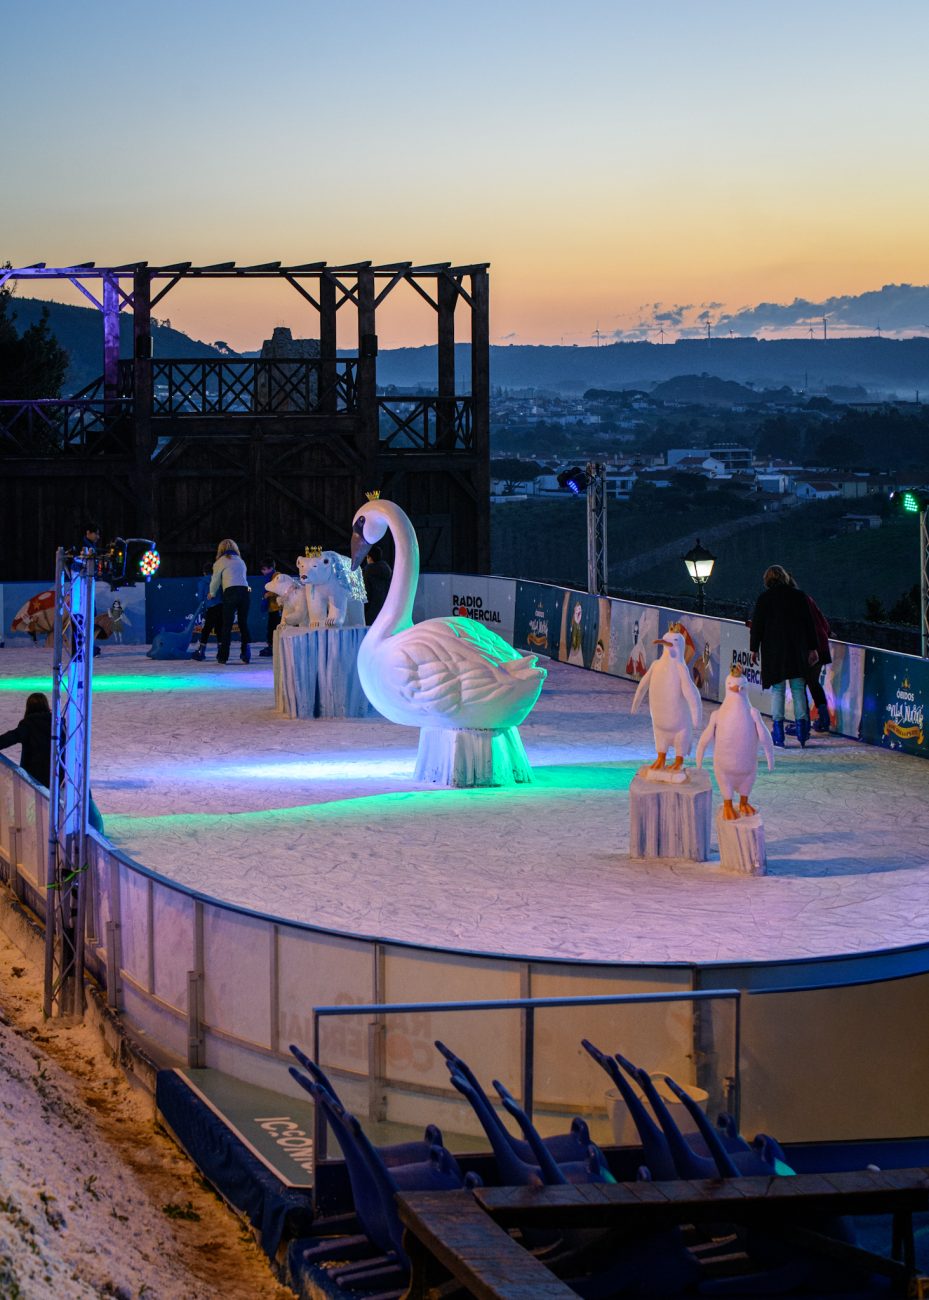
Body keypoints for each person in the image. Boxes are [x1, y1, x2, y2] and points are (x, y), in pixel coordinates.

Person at [0, 693, 104, 831]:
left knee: (45, 811)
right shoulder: (59, 724)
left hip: (39, 779)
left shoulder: (29, 725)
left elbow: (10, 738)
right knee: (78, 805)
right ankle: (94, 832)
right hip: (63, 775)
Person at [749, 564, 819, 748]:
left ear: (768, 580)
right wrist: (813, 648)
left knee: (778, 691)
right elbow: (809, 624)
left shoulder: (764, 599)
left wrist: (754, 649)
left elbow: (757, 626)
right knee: (798, 689)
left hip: (774, 652)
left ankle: (778, 733)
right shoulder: (799, 596)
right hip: (797, 650)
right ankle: (803, 731)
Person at [209, 538, 251, 664]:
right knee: (243, 623)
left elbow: (215, 580)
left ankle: (223, 656)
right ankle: (246, 652)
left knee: (226, 625)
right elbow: (244, 578)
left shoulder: (220, 562)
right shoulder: (241, 561)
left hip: (231, 592)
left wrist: (212, 593)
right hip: (244, 592)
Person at [192, 562, 224, 662]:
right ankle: (221, 652)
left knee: (206, 629)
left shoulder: (202, 582)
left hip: (211, 608)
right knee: (219, 629)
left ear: (204, 572)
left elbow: (201, 598)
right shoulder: (219, 580)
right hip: (221, 607)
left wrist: (204, 600)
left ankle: (201, 651)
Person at [258, 557, 282, 656]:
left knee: (275, 627)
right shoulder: (269, 577)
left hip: (278, 607)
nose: (262, 572)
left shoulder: (277, 576)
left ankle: (275, 646)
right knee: (271, 628)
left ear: (270, 568)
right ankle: (271, 646)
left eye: (264, 569)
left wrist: (268, 594)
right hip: (272, 608)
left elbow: (279, 589)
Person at [363, 546, 392, 626]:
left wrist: (364, 609)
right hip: (385, 609)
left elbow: (367, 592)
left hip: (372, 611)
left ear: (370, 557)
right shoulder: (387, 571)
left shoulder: (369, 571)